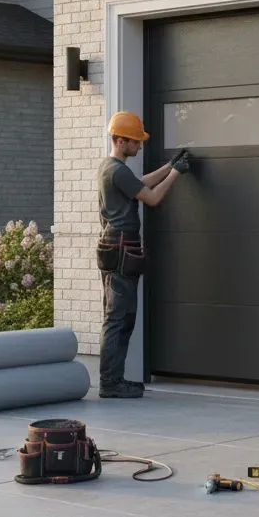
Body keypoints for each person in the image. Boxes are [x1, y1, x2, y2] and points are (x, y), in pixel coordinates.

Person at [96, 111, 190, 399]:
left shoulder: (113, 168)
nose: (140, 146)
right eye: (135, 141)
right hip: (121, 248)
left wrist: (168, 166)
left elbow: (140, 183)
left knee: (124, 318)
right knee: (117, 318)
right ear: (120, 140)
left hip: (119, 247)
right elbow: (151, 197)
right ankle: (110, 383)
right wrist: (177, 173)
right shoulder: (116, 170)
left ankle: (115, 380)